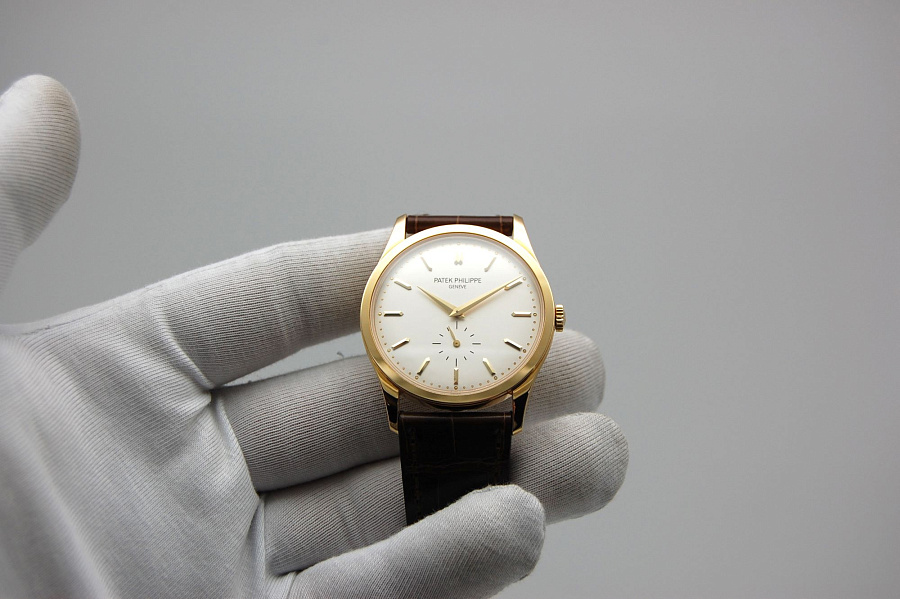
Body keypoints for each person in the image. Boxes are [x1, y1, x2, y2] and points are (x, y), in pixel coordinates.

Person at [0, 75, 628, 598]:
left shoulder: (504, 329)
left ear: (547, 319)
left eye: (474, 307)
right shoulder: (413, 337)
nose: (458, 318)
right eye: (445, 308)